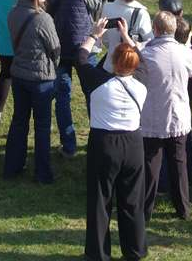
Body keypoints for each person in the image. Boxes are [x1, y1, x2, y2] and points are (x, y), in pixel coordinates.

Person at [75, 21, 148, 261]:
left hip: (104, 143)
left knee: (100, 200)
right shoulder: (143, 82)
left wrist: (94, 35)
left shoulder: (98, 81)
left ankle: (98, 253)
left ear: (114, 63)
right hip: (134, 144)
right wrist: (127, 36)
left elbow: (81, 58)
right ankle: (135, 250)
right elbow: (140, 56)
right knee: (132, 201)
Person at [136, 10, 192, 221]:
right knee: (179, 163)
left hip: (154, 115)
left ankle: (145, 209)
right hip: (178, 114)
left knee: (152, 163)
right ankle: (183, 208)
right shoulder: (183, 52)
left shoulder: (147, 53)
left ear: (155, 29)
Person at [4, 0, 60, 184]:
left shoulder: (13, 13)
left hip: (19, 74)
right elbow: (55, 49)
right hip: (41, 79)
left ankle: (12, 166)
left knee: (19, 122)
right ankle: (42, 173)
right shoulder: (42, 19)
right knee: (42, 126)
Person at [46, 0, 102, 158]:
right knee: (93, 95)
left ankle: (68, 145)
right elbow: (97, 5)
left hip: (57, 46)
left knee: (62, 97)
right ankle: (96, 143)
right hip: (84, 46)